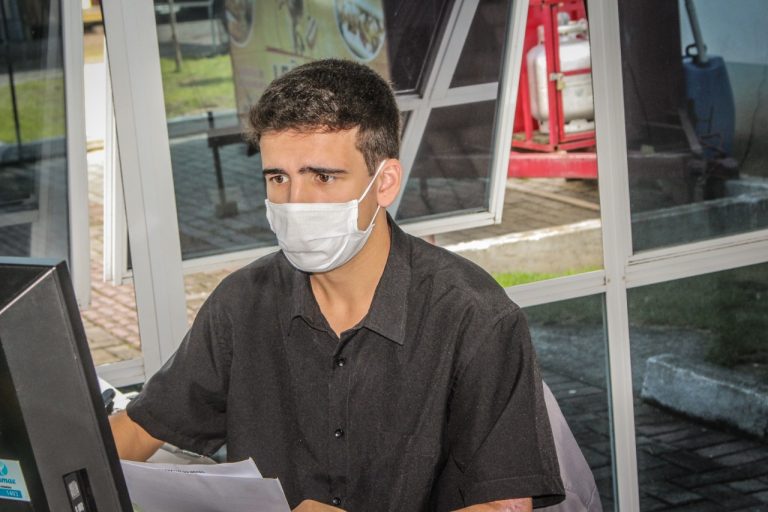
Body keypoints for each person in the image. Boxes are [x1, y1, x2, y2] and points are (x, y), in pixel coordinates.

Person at [110, 58, 565, 512]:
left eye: (323, 177)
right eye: (278, 178)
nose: (295, 202)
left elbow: (503, 507)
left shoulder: (475, 317)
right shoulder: (241, 304)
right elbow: (140, 428)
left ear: (384, 183)